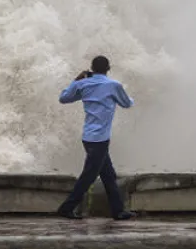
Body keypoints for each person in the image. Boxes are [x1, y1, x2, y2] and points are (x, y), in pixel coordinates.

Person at [56, 55, 137, 220]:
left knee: (108, 175)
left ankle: (118, 211)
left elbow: (63, 98)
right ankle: (66, 207)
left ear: (91, 68)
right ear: (109, 68)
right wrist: (130, 99)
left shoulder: (83, 84)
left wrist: (76, 79)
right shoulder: (113, 86)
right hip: (100, 139)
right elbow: (127, 104)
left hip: (88, 137)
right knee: (89, 176)